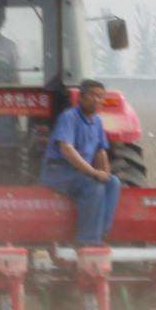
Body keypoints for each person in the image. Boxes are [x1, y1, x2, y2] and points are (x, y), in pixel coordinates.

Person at [42, 78, 121, 245]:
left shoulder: (97, 121)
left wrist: (105, 172)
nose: (97, 100)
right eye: (92, 95)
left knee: (113, 183)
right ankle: (88, 241)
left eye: (100, 96)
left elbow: (100, 150)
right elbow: (67, 150)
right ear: (81, 98)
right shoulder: (69, 117)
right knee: (93, 186)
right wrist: (93, 173)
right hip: (59, 171)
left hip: (79, 172)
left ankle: (101, 234)